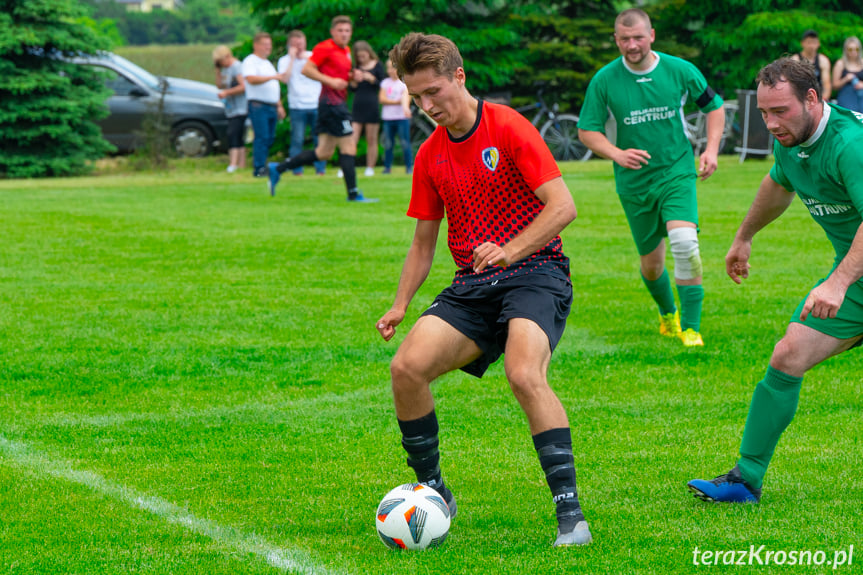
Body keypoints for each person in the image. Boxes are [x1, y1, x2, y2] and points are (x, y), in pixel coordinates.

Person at [375, 32, 591, 548]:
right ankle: (432, 491)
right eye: (416, 97)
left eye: (434, 93)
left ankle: (571, 515)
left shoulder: (508, 126)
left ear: (459, 77)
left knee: (523, 372)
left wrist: (511, 249)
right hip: (474, 284)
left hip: (536, 272)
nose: (427, 106)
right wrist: (401, 303)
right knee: (406, 369)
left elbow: (563, 207)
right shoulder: (429, 155)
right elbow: (424, 241)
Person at [687, 57, 863, 503]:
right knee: (788, 355)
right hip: (858, 275)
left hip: (852, 276)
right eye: (764, 113)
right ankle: (745, 481)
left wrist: (838, 282)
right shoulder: (793, 138)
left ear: (812, 97)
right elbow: (778, 183)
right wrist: (744, 237)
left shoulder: (851, 145)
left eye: (780, 111)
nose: (771, 123)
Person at [577, 8, 725, 347]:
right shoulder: (604, 80)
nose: (632, 45)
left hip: (676, 170)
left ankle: (691, 328)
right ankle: (667, 312)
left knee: (686, 245)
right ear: (616, 39)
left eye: (638, 37)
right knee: (652, 265)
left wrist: (711, 149)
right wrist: (616, 154)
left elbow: (714, 107)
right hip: (634, 183)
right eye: (625, 39)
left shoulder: (680, 70)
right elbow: (587, 130)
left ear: (652, 35)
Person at [268, 15, 374, 202]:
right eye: (340, 30)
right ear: (332, 32)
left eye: (347, 31)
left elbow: (339, 76)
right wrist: (330, 81)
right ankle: (353, 193)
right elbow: (307, 69)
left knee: (323, 152)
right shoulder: (325, 48)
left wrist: (352, 77)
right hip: (332, 105)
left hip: (331, 105)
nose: (344, 34)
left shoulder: (346, 51)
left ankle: (278, 169)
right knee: (349, 146)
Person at [277, 30, 327, 176]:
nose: (298, 47)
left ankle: (320, 169)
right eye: (295, 44)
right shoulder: (284, 61)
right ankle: (296, 169)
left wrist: (306, 57)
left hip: (316, 104)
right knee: (297, 139)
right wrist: (292, 58)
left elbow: (324, 74)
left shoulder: (312, 57)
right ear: (289, 45)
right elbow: (284, 79)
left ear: (305, 43)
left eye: (301, 43)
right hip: (297, 106)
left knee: (319, 138)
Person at [242, 32, 286, 177]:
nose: (268, 48)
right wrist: (273, 76)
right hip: (258, 105)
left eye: (269, 45)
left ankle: (263, 164)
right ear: (256, 45)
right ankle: (259, 167)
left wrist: (279, 105)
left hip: (271, 105)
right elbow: (251, 79)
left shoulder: (267, 63)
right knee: (261, 136)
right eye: (265, 45)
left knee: (269, 137)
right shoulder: (251, 61)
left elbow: (273, 86)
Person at [349, 41, 385, 176]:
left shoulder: (377, 65)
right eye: (359, 56)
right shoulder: (355, 67)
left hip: (372, 104)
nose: (361, 58)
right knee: (353, 137)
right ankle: (347, 166)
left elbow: (383, 84)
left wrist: (371, 79)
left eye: (363, 55)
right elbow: (352, 89)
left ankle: (370, 167)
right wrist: (353, 81)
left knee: (372, 138)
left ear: (368, 52)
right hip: (358, 105)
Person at [213, 45, 247, 174]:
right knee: (237, 135)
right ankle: (241, 164)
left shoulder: (237, 67)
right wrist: (217, 71)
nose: (221, 64)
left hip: (241, 107)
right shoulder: (225, 69)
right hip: (231, 108)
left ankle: (234, 164)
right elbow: (219, 85)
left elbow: (243, 86)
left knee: (233, 134)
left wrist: (227, 93)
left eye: (221, 61)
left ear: (227, 56)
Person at [379, 58, 413, 175]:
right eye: (388, 68)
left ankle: (409, 167)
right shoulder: (385, 83)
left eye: (392, 67)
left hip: (402, 118)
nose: (390, 70)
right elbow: (382, 99)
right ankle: (387, 167)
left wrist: (397, 102)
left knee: (405, 143)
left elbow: (407, 98)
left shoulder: (404, 83)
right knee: (388, 144)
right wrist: (397, 101)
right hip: (388, 118)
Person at [792, 30, 831, 102]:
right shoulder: (795, 60)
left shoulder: (823, 60)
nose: (811, 46)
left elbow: (827, 85)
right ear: (802, 43)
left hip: (818, 97)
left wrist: (823, 100)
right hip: (800, 97)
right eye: (809, 42)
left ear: (818, 44)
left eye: (814, 43)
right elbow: (792, 84)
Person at [831, 36, 863, 113]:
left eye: (856, 49)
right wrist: (846, 79)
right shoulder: (840, 64)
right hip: (846, 96)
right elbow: (834, 86)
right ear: (846, 50)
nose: (853, 52)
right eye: (850, 49)